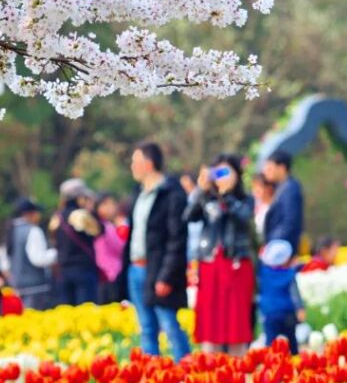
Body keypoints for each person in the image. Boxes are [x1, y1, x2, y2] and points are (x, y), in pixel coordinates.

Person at [123, 142, 191, 359]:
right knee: (146, 327)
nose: (132, 166)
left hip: (159, 270)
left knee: (169, 324)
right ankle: (153, 377)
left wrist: (166, 276)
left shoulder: (172, 194)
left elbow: (176, 239)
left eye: (135, 161)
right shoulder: (139, 194)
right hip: (136, 268)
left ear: (149, 164)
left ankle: (188, 373)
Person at [184, 154, 256, 356]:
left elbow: (244, 217)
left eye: (225, 172)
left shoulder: (244, 199)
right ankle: (210, 375)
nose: (221, 177)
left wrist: (226, 195)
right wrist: (201, 190)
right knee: (209, 324)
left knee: (236, 324)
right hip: (210, 265)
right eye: (218, 172)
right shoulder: (206, 197)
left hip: (236, 265)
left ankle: (238, 372)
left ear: (237, 174)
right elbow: (188, 216)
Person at [51, 179, 102, 306]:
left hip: (63, 272)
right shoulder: (80, 215)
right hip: (83, 271)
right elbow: (99, 230)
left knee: (69, 313)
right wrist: (91, 210)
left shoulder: (56, 217)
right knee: (86, 311)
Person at [2, 198, 57, 310]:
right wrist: (56, 253)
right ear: (29, 214)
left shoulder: (9, 231)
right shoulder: (33, 230)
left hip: (18, 288)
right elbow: (38, 259)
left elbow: (4, 265)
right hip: (36, 286)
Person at [257, 240, 305, 354]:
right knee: (291, 339)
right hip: (287, 313)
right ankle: (295, 359)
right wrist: (300, 308)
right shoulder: (289, 273)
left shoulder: (263, 273)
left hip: (269, 313)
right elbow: (295, 293)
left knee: (270, 341)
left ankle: (270, 363)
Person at [262, 150, 304, 250]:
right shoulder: (281, 187)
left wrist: (272, 242)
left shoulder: (290, 189)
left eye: (270, 168)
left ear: (281, 168)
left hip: (282, 249)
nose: (266, 171)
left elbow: (289, 222)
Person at [94, 194, 127, 304]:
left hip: (106, 274)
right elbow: (120, 247)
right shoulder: (104, 227)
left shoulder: (105, 225)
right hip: (110, 274)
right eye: (110, 204)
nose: (113, 207)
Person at [251, 173, 275, 241]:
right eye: (254, 186)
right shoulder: (256, 204)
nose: (255, 190)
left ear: (269, 188)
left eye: (259, 186)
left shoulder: (273, 207)